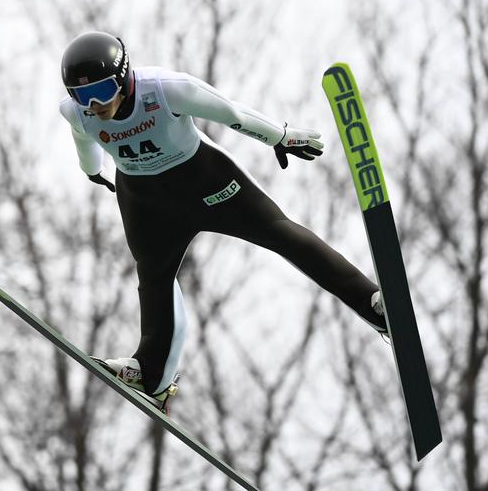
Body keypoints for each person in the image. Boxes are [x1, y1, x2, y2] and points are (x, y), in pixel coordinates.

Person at [58, 31, 387, 414]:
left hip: (207, 182)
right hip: (146, 201)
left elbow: (232, 114)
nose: (93, 105)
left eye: (100, 91)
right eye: (82, 96)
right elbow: (83, 140)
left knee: (280, 234)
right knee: (153, 278)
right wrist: (93, 172)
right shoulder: (76, 112)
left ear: (124, 77)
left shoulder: (166, 90)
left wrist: (280, 137)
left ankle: (374, 305)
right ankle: (153, 377)